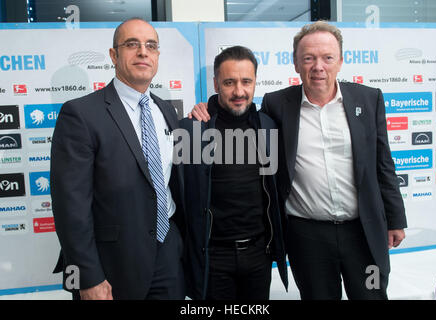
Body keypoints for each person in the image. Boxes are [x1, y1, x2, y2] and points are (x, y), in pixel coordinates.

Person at [190, 21, 407, 300]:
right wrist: (205, 107)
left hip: (362, 233)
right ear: (295, 63)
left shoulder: (368, 99)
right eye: (308, 58)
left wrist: (395, 218)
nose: (318, 66)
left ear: (340, 61)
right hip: (308, 237)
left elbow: (383, 163)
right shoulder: (277, 105)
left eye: (327, 57)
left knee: (372, 295)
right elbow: (236, 110)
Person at [51, 18, 185, 300]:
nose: (142, 52)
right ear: (114, 55)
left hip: (168, 256)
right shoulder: (81, 114)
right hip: (112, 266)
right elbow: (70, 207)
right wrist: (87, 277)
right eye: (131, 44)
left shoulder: (166, 110)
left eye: (151, 45)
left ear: (157, 55)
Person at [180, 46, 288, 300]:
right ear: (216, 83)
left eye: (246, 81)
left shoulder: (268, 125)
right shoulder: (192, 130)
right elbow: (179, 198)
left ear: (255, 82)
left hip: (259, 254)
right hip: (212, 257)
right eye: (229, 82)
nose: (239, 91)